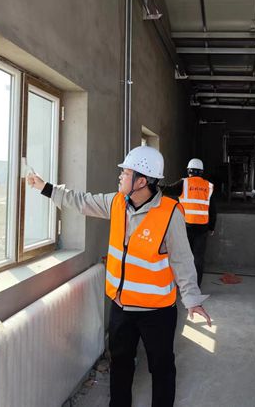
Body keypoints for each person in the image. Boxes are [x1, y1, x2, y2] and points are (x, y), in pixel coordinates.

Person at [27, 145, 211, 407]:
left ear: (141, 181)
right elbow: (81, 201)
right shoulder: (115, 203)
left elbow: (182, 259)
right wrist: (44, 187)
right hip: (122, 306)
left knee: (161, 368)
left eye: (125, 173)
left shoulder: (170, 213)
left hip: (156, 311)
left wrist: (192, 299)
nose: (120, 176)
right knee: (121, 365)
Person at [162, 158, 216, 286]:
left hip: (185, 226)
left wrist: (152, 185)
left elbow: (166, 190)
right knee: (198, 257)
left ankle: (182, 284)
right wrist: (212, 226)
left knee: (183, 256)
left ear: (188, 171)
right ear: (201, 172)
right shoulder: (209, 186)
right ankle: (196, 286)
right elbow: (212, 209)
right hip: (202, 228)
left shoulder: (184, 183)